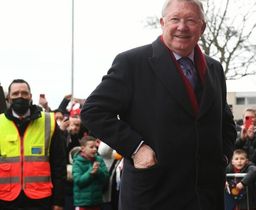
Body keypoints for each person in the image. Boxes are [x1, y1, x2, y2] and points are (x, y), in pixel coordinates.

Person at [80, 0, 237, 209]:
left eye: (191, 20)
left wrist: (222, 157)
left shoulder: (214, 68)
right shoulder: (132, 62)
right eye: (175, 19)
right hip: (153, 195)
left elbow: (224, 121)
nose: (182, 27)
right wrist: (136, 148)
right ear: (163, 22)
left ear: (202, 27)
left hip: (206, 197)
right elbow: (93, 111)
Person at [0, 79, 66, 210]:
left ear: (30, 96)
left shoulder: (49, 122)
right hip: (6, 200)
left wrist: (58, 201)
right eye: (15, 93)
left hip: (40, 200)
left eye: (24, 93)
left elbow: (59, 165)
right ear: (8, 98)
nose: (20, 96)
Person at [73, 136, 109, 210]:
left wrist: (98, 171)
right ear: (83, 149)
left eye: (95, 147)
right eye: (91, 147)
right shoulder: (77, 162)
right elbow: (78, 181)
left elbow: (106, 179)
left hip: (97, 203)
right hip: (82, 204)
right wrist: (90, 173)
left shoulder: (99, 160)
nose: (95, 149)